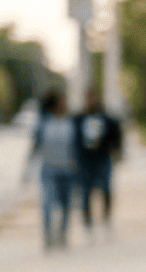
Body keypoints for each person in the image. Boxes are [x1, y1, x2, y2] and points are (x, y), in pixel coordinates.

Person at [25, 90, 79, 250]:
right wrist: (27, 170)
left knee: (66, 204)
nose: (65, 104)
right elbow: (34, 148)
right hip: (49, 170)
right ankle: (48, 235)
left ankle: (62, 234)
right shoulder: (43, 123)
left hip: (68, 169)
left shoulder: (71, 122)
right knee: (47, 203)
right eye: (62, 100)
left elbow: (76, 147)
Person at [74, 87, 123, 238]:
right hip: (86, 161)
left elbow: (117, 136)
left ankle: (106, 220)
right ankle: (88, 223)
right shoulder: (79, 119)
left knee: (106, 190)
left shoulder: (107, 119)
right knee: (86, 193)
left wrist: (117, 152)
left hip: (103, 159)